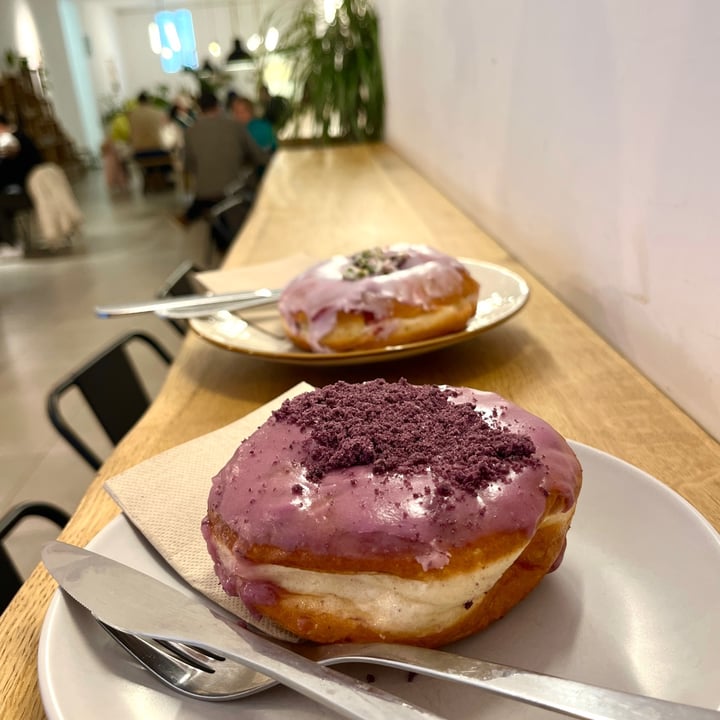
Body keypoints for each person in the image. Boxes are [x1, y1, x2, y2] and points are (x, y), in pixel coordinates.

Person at [178, 91, 267, 226]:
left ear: (199, 109)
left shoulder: (190, 131)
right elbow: (259, 156)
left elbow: (189, 167)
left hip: (203, 194)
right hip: (233, 191)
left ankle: (192, 217)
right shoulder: (235, 126)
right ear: (218, 106)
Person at [0, 113, 43, 255]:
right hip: (28, 189)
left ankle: (10, 244)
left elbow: (10, 173)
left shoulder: (11, 141)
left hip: (28, 192)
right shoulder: (19, 137)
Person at [128, 91, 173, 188]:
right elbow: (167, 131)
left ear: (138, 101)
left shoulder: (132, 114)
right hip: (159, 149)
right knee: (172, 153)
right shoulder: (159, 112)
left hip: (139, 151)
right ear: (149, 101)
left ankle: (151, 179)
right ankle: (164, 179)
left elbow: (130, 135)